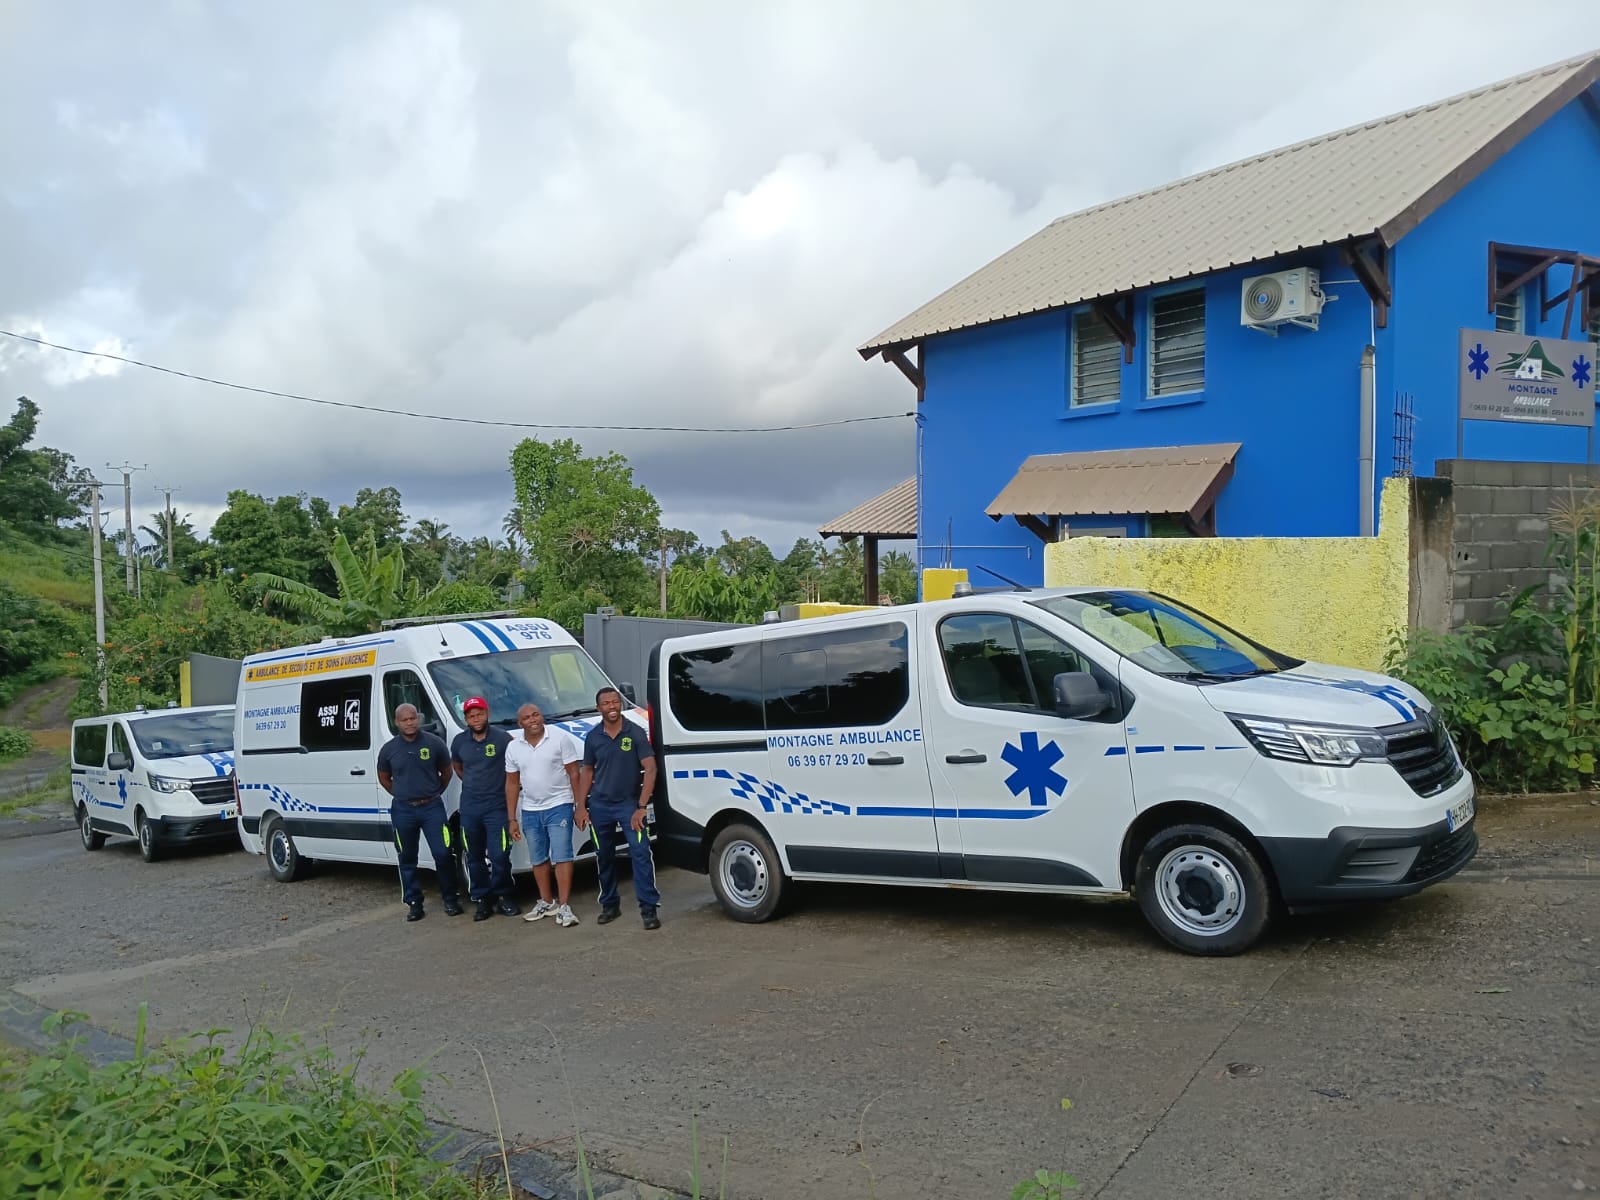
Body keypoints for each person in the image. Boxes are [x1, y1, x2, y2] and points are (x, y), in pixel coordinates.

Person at [576, 687, 660, 930]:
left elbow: (651, 769)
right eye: (606, 703)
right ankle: (610, 905)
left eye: (615, 702)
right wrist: (581, 806)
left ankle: (648, 909)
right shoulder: (593, 737)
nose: (611, 706)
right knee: (604, 856)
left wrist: (641, 807)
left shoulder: (634, 732)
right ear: (598, 708)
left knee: (641, 853)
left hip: (629, 806)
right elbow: (587, 771)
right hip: (600, 805)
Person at [376, 703, 460, 922]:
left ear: (419, 719)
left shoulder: (434, 743)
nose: (409, 722)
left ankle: (450, 899)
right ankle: (414, 903)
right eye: (404, 719)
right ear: (397, 722)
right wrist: (403, 793)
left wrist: (433, 792)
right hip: (403, 810)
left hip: (432, 808)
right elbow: (384, 777)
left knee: (443, 853)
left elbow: (447, 771)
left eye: (413, 718)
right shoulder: (389, 749)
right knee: (406, 857)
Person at [504, 703, 582, 927]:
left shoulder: (559, 738)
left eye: (536, 714)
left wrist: (579, 806)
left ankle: (564, 906)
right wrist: (512, 818)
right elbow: (511, 783)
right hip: (530, 809)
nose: (533, 720)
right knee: (538, 858)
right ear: (520, 724)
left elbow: (574, 774)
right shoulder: (514, 747)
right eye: (527, 717)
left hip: (560, 805)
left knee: (562, 855)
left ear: (542, 716)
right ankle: (547, 902)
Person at [450, 697, 520, 922]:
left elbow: (515, 766)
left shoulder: (503, 738)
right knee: (474, 856)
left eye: (479, 714)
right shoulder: (460, 741)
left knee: (500, 855)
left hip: (496, 807)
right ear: (466, 719)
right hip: (470, 808)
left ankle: (504, 897)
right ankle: (482, 900)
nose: (476, 718)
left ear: (487, 714)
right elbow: (458, 767)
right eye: (471, 715)